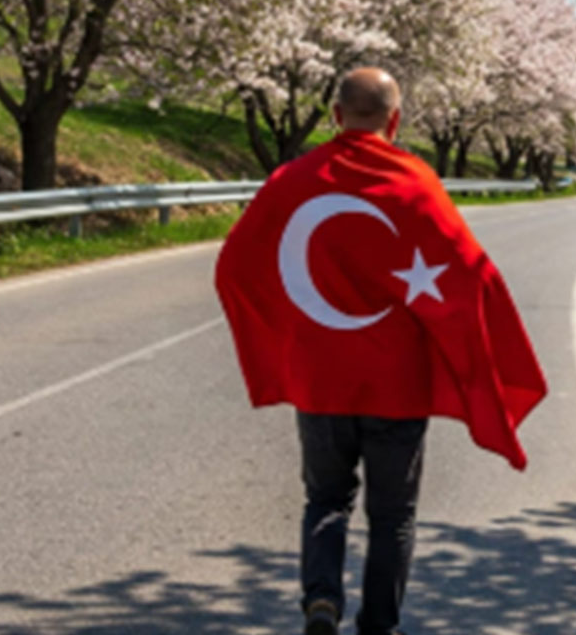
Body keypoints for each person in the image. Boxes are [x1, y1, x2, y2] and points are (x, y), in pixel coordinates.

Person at [215, 67, 547, 635]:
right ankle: (380, 626)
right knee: (393, 517)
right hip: (398, 387)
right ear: (395, 120)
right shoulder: (416, 183)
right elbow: (471, 274)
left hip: (322, 380)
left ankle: (321, 602)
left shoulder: (293, 179)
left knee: (326, 499)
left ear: (336, 116)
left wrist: (284, 333)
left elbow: (235, 266)